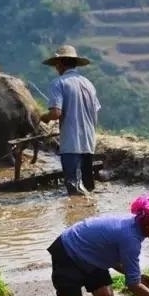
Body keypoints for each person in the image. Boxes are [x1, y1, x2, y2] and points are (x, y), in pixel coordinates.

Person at [47, 191, 149, 296]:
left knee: (105, 294)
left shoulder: (135, 225)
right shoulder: (130, 238)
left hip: (94, 253)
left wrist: (136, 275)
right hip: (68, 251)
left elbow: (111, 256)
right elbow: (133, 285)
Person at [40, 45, 101, 196]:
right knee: (88, 185)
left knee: (73, 186)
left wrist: (44, 117)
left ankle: (75, 214)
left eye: (56, 65)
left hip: (71, 143)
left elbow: (55, 112)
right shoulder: (89, 84)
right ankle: (90, 210)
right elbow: (96, 110)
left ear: (59, 64)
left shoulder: (58, 83)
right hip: (88, 142)